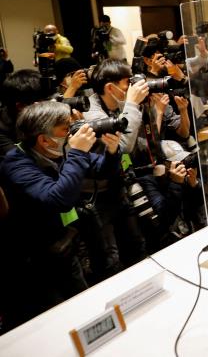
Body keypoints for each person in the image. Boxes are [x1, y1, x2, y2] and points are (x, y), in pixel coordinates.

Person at [0, 101, 121, 330]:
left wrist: (112, 151)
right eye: (65, 129)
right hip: (34, 261)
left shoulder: (61, 149)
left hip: (66, 243)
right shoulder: (15, 164)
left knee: (84, 305)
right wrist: (76, 152)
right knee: (56, 321)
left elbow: (103, 170)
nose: (71, 132)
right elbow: (58, 200)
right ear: (43, 139)